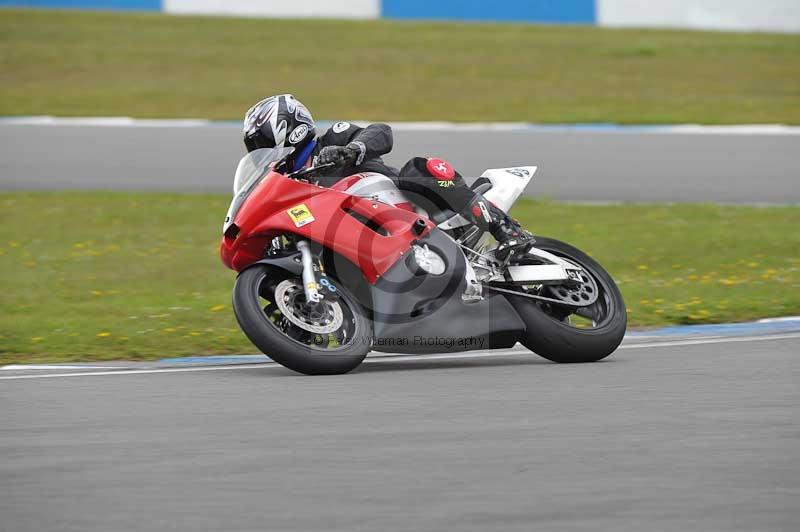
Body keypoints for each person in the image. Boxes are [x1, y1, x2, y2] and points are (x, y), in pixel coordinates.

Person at [242, 94, 533, 259]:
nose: (262, 153)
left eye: (263, 143)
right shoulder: (290, 182)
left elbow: (380, 131)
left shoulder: (334, 138)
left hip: (406, 208)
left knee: (418, 169)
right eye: (256, 148)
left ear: (291, 128)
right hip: (363, 244)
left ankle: (507, 230)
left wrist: (353, 149)